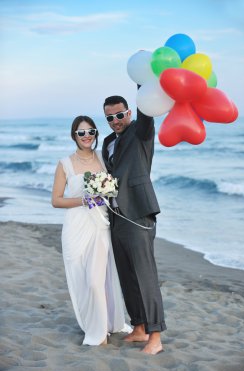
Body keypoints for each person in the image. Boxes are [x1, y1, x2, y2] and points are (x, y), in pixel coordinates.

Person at [51, 115, 128, 346]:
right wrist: (83, 201)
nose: (87, 136)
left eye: (90, 131)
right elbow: (56, 200)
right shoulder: (65, 163)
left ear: (95, 133)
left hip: (99, 226)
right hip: (75, 227)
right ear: (74, 135)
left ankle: (99, 332)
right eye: (81, 133)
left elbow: (114, 187)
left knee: (97, 280)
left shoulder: (104, 158)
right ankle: (92, 322)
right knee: (81, 280)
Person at [102, 96, 167, 355]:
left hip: (138, 215)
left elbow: (147, 111)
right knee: (127, 275)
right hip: (116, 216)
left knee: (145, 276)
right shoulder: (107, 142)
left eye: (119, 115)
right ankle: (139, 327)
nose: (116, 121)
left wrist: (142, 84)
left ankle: (156, 337)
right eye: (110, 118)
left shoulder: (141, 132)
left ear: (128, 112)